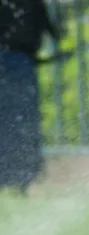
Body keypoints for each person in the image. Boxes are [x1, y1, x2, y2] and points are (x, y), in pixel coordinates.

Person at [0, 0, 58, 193]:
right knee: (21, 121)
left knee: (15, 120)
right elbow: (44, 21)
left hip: (18, 58)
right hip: (21, 59)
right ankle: (21, 178)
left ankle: (18, 178)